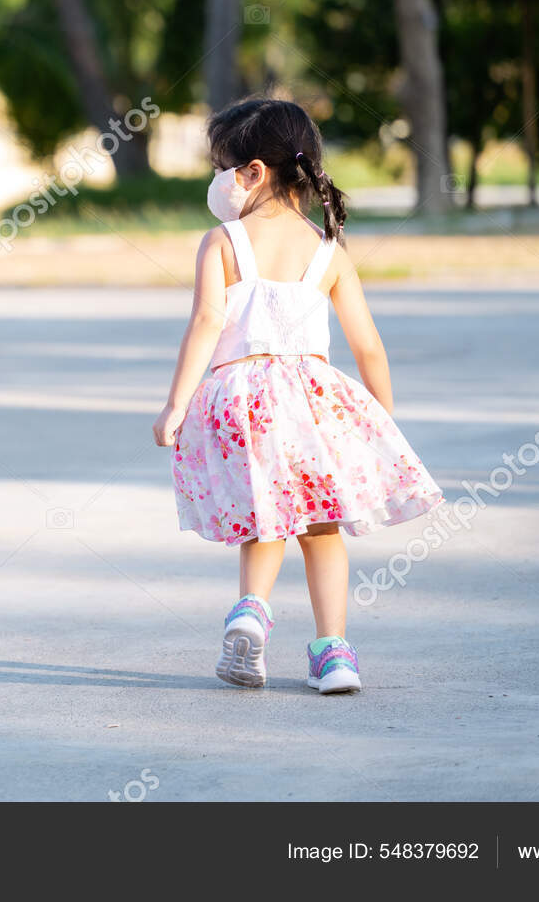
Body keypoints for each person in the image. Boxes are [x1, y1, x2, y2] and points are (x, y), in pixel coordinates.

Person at [153, 96, 443, 694]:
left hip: (244, 401)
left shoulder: (223, 241)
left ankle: (251, 613)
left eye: (220, 166)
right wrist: (377, 423)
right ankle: (334, 655)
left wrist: (176, 403)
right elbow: (369, 347)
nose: (216, 180)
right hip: (315, 404)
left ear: (253, 171)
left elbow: (206, 322)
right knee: (321, 529)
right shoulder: (329, 250)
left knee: (266, 520)